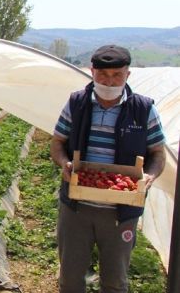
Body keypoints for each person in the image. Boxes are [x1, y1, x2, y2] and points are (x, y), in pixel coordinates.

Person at [50, 45, 167, 293]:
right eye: (103, 74)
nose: (110, 81)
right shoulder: (77, 103)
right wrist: (64, 163)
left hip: (121, 212)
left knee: (115, 282)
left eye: (117, 75)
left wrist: (149, 176)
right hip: (76, 207)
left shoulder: (143, 110)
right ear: (92, 72)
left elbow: (157, 153)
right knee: (70, 279)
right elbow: (58, 143)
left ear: (128, 74)